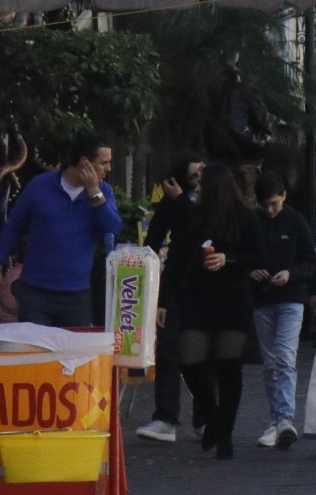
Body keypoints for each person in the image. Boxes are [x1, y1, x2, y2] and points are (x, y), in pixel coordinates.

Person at [159, 163, 260, 460]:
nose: (197, 186)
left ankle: (225, 433)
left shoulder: (244, 218)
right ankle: (212, 418)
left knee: (229, 366)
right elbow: (176, 261)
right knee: (190, 360)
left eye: (202, 181)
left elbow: (258, 256)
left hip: (233, 299)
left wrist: (228, 259)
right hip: (197, 299)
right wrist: (164, 300)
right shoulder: (193, 218)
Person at [0, 132, 122, 327]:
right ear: (85, 162)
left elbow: (113, 228)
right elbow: (13, 227)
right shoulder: (40, 186)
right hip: (35, 293)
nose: (108, 169)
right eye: (103, 163)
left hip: (77, 296)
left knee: (75, 355)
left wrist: (94, 193)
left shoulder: (104, 192)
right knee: (38, 353)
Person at [137, 152, 206, 443]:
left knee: (201, 353)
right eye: (193, 176)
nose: (200, 180)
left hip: (208, 284)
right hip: (177, 281)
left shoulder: (216, 199)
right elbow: (153, 238)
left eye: (202, 172)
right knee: (167, 348)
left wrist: (180, 202)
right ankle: (165, 417)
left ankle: (206, 415)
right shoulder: (173, 204)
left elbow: (203, 231)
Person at [251, 173, 315, 449]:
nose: (270, 210)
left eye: (275, 204)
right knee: (270, 362)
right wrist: (249, 271)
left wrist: (291, 273)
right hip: (262, 298)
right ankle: (278, 419)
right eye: (265, 205)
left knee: (285, 357)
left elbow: (309, 260)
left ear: (284, 196)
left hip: (291, 297)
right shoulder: (252, 222)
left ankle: (285, 418)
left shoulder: (296, 220)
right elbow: (239, 255)